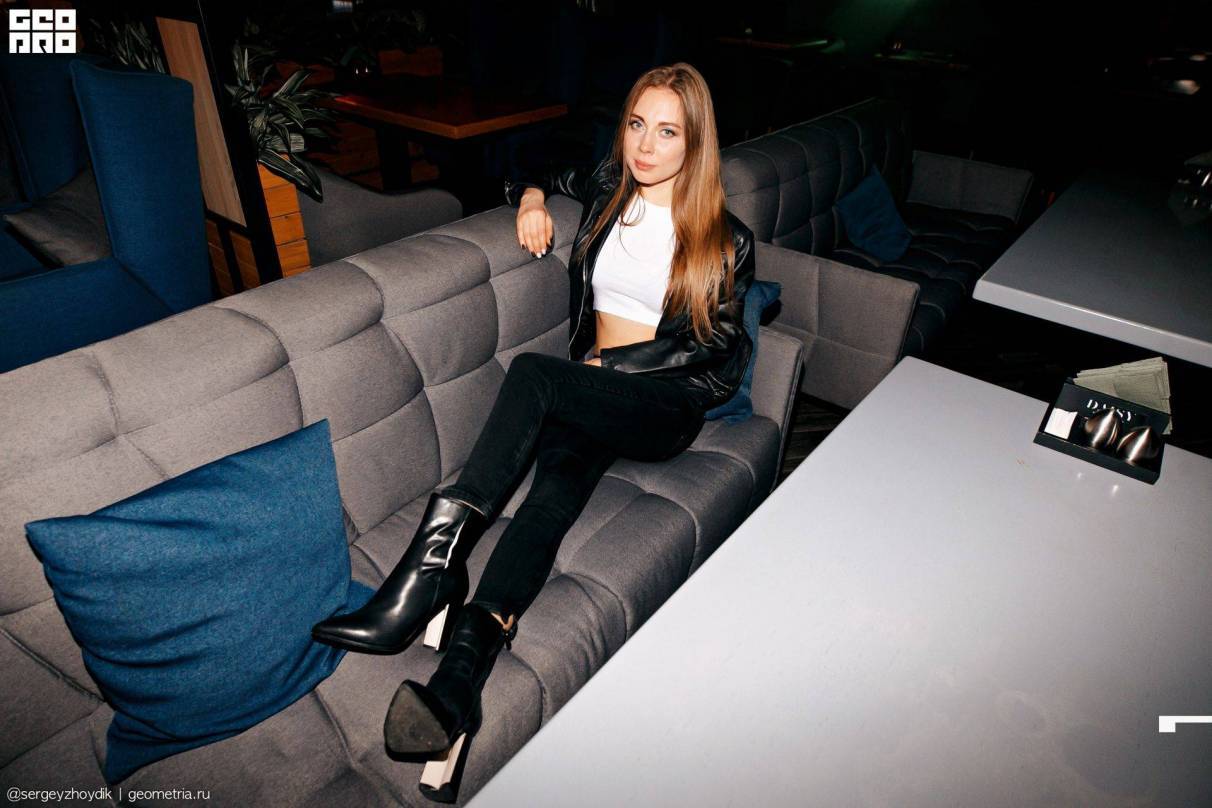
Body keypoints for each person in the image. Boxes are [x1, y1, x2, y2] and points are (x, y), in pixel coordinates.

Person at [311, 61, 755, 802]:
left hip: (662, 407)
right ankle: (458, 685)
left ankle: (432, 567)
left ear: (696, 143)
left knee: (535, 375)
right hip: (592, 395)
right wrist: (532, 199)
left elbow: (718, 353)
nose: (645, 146)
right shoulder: (610, 192)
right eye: (636, 125)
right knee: (547, 504)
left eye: (667, 132)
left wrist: (616, 363)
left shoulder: (726, 238)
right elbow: (528, 163)